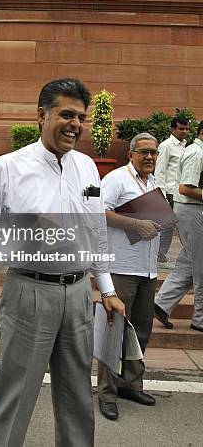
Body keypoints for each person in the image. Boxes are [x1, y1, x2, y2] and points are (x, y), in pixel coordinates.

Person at [0, 78, 125, 447]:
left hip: (80, 294)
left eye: (81, 117)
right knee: (15, 396)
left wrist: (107, 289)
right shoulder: (9, 167)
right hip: (29, 292)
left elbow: (96, 232)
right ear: (41, 115)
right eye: (66, 114)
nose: (75, 124)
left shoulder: (87, 168)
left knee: (78, 397)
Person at [97, 133, 160, 421]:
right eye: (144, 152)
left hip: (147, 269)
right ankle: (107, 394)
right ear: (131, 154)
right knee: (115, 333)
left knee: (141, 332)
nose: (149, 157)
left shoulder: (154, 182)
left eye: (153, 153)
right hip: (121, 268)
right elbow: (99, 211)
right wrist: (135, 222)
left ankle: (130, 385)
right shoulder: (116, 179)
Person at [154, 121, 203, 333]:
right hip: (191, 210)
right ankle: (200, 318)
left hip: (192, 210)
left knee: (189, 261)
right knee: (200, 265)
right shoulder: (196, 154)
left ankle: (162, 303)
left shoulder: (192, 150)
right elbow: (185, 188)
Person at [154, 116, 189, 270]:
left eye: (186, 129)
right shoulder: (166, 146)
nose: (184, 131)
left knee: (181, 226)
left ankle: (187, 258)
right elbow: (159, 171)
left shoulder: (185, 146)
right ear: (173, 129)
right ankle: (159, 258)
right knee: (168, 227)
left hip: (180, 191)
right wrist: (161, 194)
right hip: (169, 191)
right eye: (181, 128)